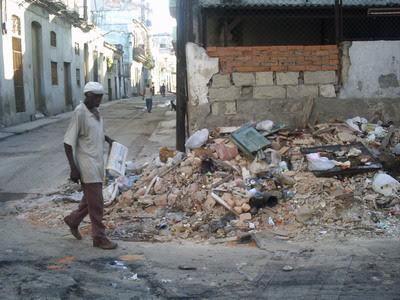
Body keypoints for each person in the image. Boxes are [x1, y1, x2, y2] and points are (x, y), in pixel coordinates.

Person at [63, 82, 118, 250]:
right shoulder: (80, 113)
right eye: (96, 96)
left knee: (90, 200)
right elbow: (67, 143)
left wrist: (108, 139)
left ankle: (73, 220)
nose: (99, 99)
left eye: (101, 96)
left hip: (97, 162)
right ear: (87, 96)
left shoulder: (96, 112)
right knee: (97, 203)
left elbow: (95, 133)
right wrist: (73, 168)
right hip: (87, 164)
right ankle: (99, 237)